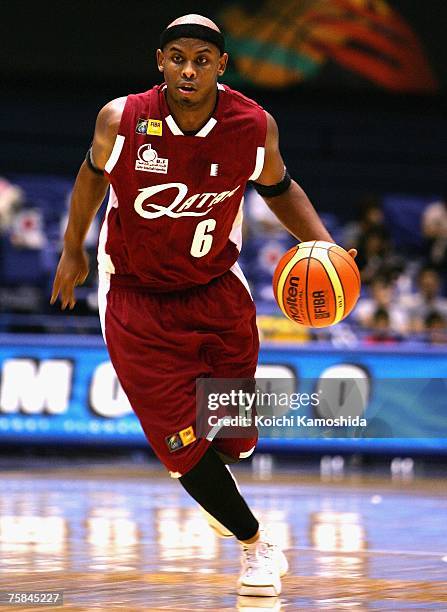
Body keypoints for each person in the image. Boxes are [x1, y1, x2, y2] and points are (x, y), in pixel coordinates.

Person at [51, 14, 355, 597]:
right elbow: (91, 178)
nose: (188, 69)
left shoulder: (252, 125)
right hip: (136, 298)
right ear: (160, 62)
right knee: (182, 448)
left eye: (201, 59)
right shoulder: (123, 120)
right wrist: (73, 250)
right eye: (176, 57)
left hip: (217, 289)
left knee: (231, 439)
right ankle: (256, 545)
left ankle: (214, 483)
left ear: (221, 66)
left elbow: (280, 188)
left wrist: (323, 245)